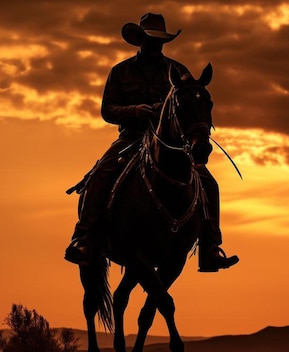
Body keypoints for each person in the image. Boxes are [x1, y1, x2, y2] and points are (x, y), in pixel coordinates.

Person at [65, 13, 239, 272]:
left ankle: (210, 246)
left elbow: (190, 104)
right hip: (131, 137)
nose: (155, 45)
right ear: (140, 40)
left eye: (159, 41)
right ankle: (84, 237)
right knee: (100, 174)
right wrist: (136, 110)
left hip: (172, 144)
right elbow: (107, 110)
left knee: (208, 183)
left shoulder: (178, 71)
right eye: (151, 40)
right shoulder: (121, 71)